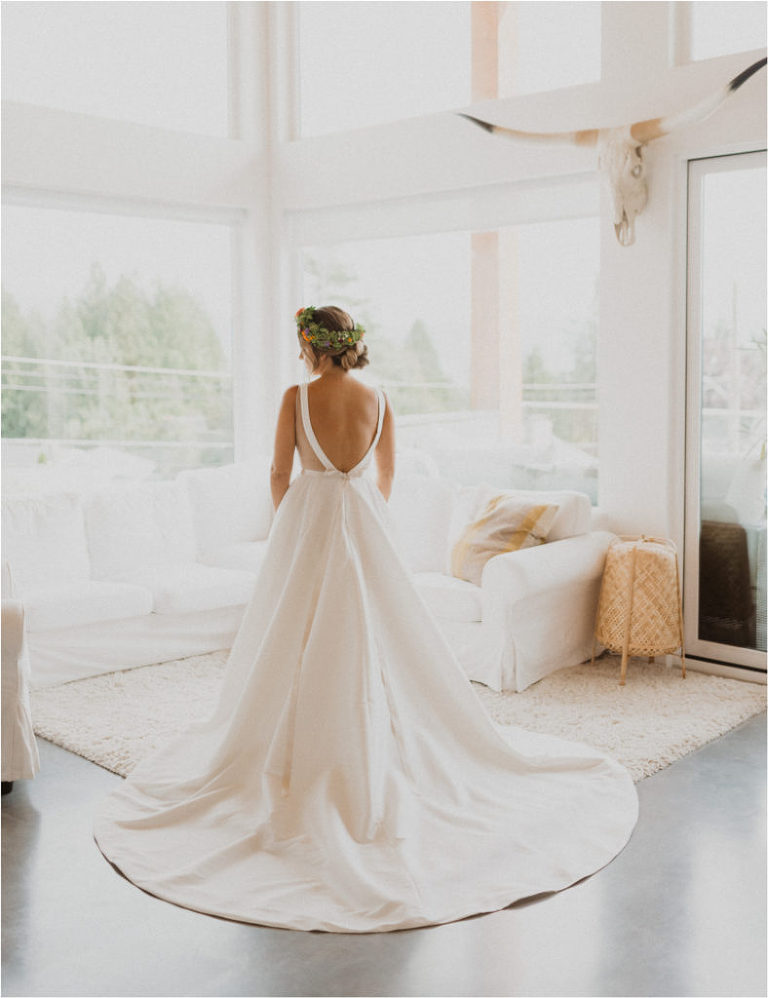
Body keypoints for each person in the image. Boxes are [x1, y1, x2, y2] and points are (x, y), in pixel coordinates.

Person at [94, 305, 638, 934]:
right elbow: (386, 476)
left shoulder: (296, 397)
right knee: (375, 640)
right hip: (362, 518)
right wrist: (359, 517)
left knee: (294, 638)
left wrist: (294, 521)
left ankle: (302, 746)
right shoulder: (379, 400)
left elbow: (279, 473)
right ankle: (374, 738)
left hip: (310, 517)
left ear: (309, 344)